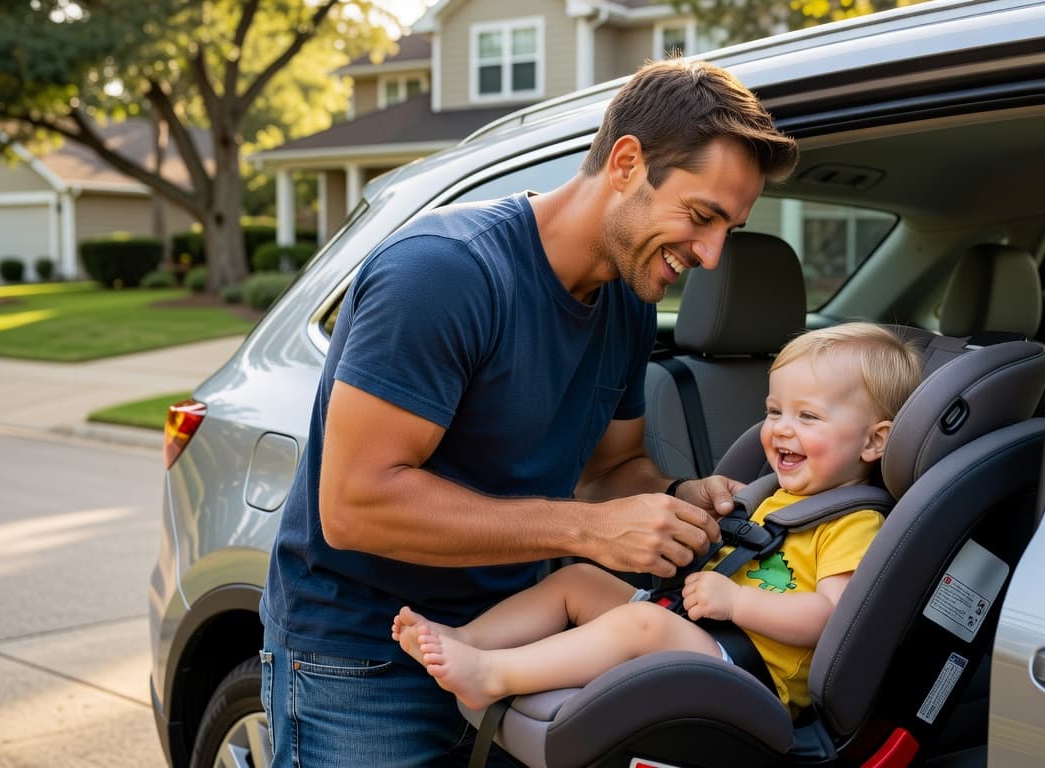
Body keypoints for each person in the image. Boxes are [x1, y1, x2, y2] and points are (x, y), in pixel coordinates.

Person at [258, 58, 799, 766]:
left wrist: (671, 498)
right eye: (701, 217)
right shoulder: (445, 274)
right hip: (362, 665)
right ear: (628, 163)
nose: (710, 253)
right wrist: (590, 531)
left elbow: (610, 468)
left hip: (519, 649)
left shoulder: (627, 303)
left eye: (729, 227)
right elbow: (356, 505)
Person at [393, 322, 925, 720]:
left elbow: (834, 617)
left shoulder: (853, 524)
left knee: (639, 623)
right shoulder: (780, 497)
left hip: (754, 673)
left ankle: (491, 676)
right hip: (706, 630)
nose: (781, 430)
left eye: (808, 417)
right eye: (774, 411)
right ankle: (467, 638)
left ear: (876, 440)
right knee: (578, 580)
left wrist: (737, 601)